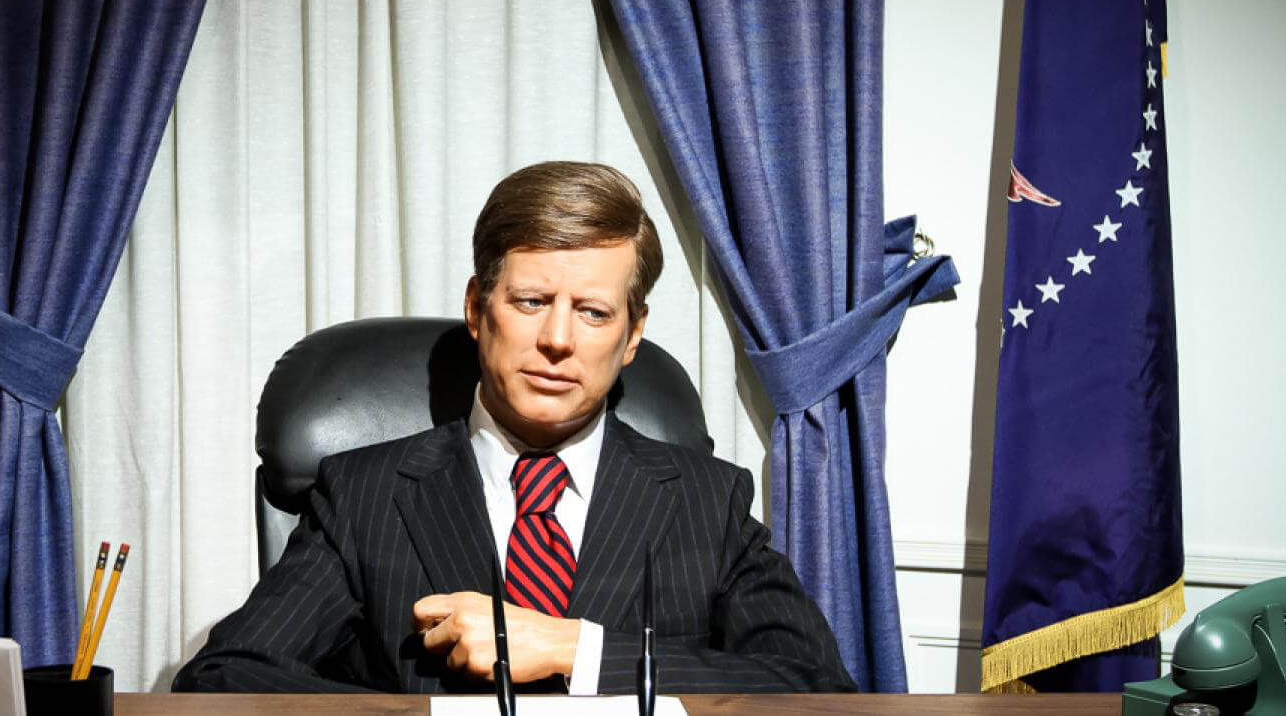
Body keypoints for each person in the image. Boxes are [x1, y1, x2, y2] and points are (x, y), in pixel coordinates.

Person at [173, 162, 854, 694]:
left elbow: (816, 689)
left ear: (632, 334)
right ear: (478, 308)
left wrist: (575, 649)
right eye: (531, 302)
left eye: (592, 312)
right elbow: (224, 677)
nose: (557, 340)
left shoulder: (710, 502)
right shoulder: (362, 495)